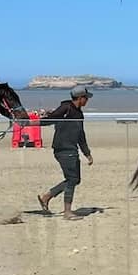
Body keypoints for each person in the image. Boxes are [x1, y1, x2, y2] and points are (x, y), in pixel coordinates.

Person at [37, 87, 94, 219]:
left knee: (75, 179)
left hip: (71, 149)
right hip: (63, 148)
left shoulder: (79, 114)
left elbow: (81, 135)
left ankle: (46, 197)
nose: (87, 101)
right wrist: (30, 123)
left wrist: (87, 153)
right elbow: (50, 119)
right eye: (86, 98)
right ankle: (67, 212)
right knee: (72, 179)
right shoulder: (65, 108)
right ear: (80, 98)